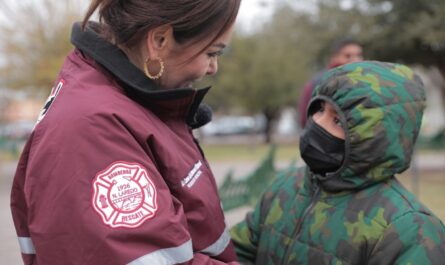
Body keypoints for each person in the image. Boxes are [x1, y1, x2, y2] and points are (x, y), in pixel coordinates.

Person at [10, 1, 241, 264]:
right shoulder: (93, 129)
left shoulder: (140, 106)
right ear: (160, 40)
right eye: (212, 53)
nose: (213, 68)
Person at [230, 61, 445, 264]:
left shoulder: (411, 231)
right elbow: (238, 251)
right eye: (320, 109)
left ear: (373, 139)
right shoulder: (286, 186)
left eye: (337, 120)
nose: (316, 122)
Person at [298, 38, 363, 128]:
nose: (355, 60)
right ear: (334, 58)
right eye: (348, 56)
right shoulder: (318, 82)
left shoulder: (366, 81)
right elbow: (304, 119)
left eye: (359, 55)